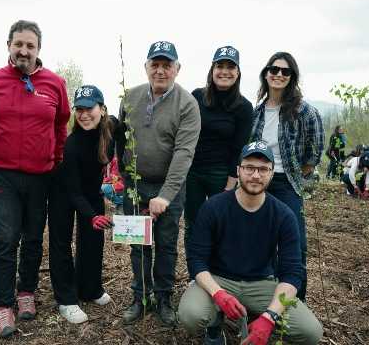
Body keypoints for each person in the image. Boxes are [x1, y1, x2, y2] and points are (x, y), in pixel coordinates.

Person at [0, 20, 70, 337]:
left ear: (38, 50)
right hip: (2, 175)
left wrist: (57, 162)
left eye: (30, 45)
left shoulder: (55, 84)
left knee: (31, 237)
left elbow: (60, 127)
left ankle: (26, 290)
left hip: (40, 176)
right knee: (4, 239)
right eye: (18, 44)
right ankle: (3, 304)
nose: (24, 50)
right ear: (9, 46)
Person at [178, 140, 323, 345]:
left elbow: (292, 272)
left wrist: (270, 316)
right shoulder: (214, 207)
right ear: (238, 170)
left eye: (263, 169)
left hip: (262, 283)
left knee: (311, 332)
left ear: (272, 173)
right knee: (190, 315)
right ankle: (215, 323)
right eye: (249, 167)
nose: (256, 175)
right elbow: (196, 260)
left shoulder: (283, 214)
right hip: (219, 279)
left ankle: (259, 318)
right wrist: (218, 294)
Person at [115, 40, 201, 326]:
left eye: (167, 65)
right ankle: (140, 296)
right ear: (146, 67)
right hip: (136, 186)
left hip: (170, 188)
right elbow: (122, 140)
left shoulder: (187, 104)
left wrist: (165, 195)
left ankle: (163, 298)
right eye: (156, 64)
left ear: (177, 69)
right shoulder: (130, 97)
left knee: (165, 243)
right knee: (138, 243)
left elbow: (184, 153)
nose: (161, 71)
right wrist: (126, 178)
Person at [250, 52, 324, 302]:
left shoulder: (304, 111)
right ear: (266, 73)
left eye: (285, 71)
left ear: (292, 77)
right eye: (274, 69)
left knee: (294, 246)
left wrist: (298, 174)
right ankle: (266, 301)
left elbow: (314, 152)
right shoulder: (257, 112)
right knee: (262, 243)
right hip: (260, 184)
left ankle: (295, 304)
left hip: (287, 183)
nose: (279, 74)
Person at [48, 85, 116, 324]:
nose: (84, 114)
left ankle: (91, 288)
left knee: (94, 239)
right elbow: (73, 191)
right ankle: (66, 299)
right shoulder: (73, 144)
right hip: (64, 191)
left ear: (103, 109)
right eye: (79, 109)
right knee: (61, 242)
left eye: (90, 108)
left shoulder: (112, 128)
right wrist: (91, 215)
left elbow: (130, 136)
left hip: (91, 190)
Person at [184, 46, 253, 252]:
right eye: (219, 66)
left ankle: (217, 273)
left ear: (238, 72)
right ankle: (196, 273)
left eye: (230, 67)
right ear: (212, 70)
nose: (224, 71)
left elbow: (239, 149)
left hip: (221, 174)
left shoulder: (244, 107)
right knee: (193, 224)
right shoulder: (196, 97)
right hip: (192, 172)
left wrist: (230, 184)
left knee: (219, 224)